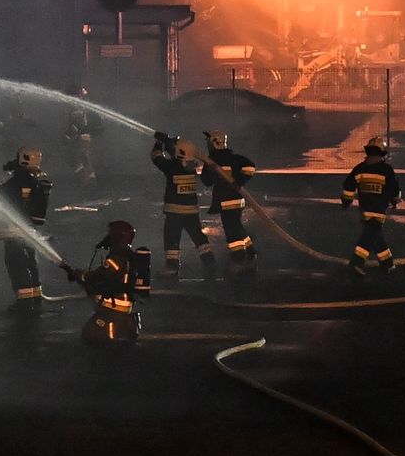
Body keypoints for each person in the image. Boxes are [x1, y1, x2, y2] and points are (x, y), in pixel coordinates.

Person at [61, 219, 149, 344]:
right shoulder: (126, 255)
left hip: (114, 308)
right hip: (120, 306)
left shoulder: (117, 257)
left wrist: (80, 275)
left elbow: (100, 275)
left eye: (111, 233)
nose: (108, 236)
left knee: (90, 334)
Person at [341, 138, 405, 279]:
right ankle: (356, 263)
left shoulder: (359, 169)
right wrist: (395, 200)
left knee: (375, 236)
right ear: (382, 153)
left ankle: (387, 264)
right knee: (369, 237)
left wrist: (346, 202)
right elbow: (394, 189)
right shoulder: (386, 170)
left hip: (364, 211)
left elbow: (348, 187)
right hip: (379, 211)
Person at [0, 145, 53, 314]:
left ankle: (24, 302)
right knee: (30, 263)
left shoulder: (19, 180)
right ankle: (35, 296)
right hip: (28, 230)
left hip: (14, 231)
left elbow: (6, 193)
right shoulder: (35, 180)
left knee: (17, 265)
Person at [151, 134, 215, 275]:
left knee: (171, 238)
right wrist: (170, 143)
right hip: (191, 212)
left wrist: (158, 143)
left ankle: (172, 267)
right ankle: (210, 262)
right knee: (199, 237)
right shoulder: (191, 167)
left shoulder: (172, 167)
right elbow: (179, 155)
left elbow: (156, 158)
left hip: (174, 212)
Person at [200, 130, 259, 271]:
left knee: (232, 230)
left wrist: (237, 181)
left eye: (209, 142)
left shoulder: (215, 160)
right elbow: (250, 166)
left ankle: (238, 260)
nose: (208, 145)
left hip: (226, 201)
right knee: (236, 226)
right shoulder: (232, 158)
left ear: (216, 142)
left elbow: (206, 182)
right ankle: (250, 253)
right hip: (236, 201)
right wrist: (239, 181)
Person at [64, 103, 98, 186]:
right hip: (82, 140)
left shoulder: (77, 115)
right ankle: (91, 183)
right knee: (83, 160)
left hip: (81, 140)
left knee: (79, 159)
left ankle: (89, 184)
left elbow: (74, 129)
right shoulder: (80, 114)